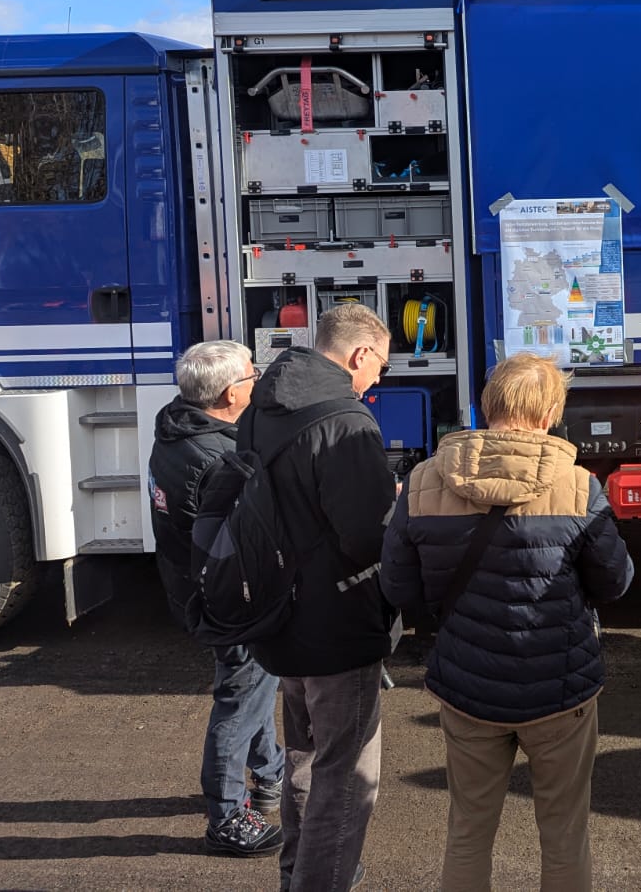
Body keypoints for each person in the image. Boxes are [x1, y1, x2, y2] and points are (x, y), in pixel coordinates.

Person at [380, 354, 634, 892]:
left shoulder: (424, 482)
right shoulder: (578, 486)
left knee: (468, 834)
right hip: (560, 688)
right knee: (565, 837)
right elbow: (615, 582)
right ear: (549, 415)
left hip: (467, 685)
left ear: (487, 404)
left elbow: (399, 588)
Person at [245, 303, 399, 891]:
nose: (379, 378)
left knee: (305, 759)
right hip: (338, 622)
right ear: (360, 354)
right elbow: (365, 536)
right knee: (347, 776)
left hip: (280, 614)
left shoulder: (261, 406)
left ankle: (297, 875)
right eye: (381, 365)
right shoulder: (347, 421)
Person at [148, 339, 282, 857]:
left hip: (189, 586)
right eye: (253, 375)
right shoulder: (219, 457)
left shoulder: (174, 429)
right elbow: (247, 543)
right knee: (241, 695)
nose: (258, 381)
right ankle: (226, 817)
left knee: (255, 684)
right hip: (230, 601)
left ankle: (269, 773)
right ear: (230, 393)